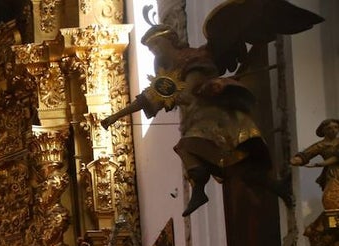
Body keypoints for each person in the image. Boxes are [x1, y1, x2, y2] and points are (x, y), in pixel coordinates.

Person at [101, 5, 323, 217]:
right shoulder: (170, 74)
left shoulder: (195, 57)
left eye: (155, 46)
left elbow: (188, 94)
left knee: (187, 147)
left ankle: (199, 191)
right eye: (151, 50)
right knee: (239, 167)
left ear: (169, 40)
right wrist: (114, 118)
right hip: (200, 121)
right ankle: (277, 187)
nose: (154, 52)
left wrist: (176, 94)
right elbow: (145, 100)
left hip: (218, 116)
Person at [292, 117, 339, 210]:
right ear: (324, 130)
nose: (334, 130)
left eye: (336, 127)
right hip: (332, 174)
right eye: (330, 128)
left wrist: (319, 164)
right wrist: (299, 159)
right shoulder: (320, 145)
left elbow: (336, 158)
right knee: (331, 199)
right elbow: (308, 153)